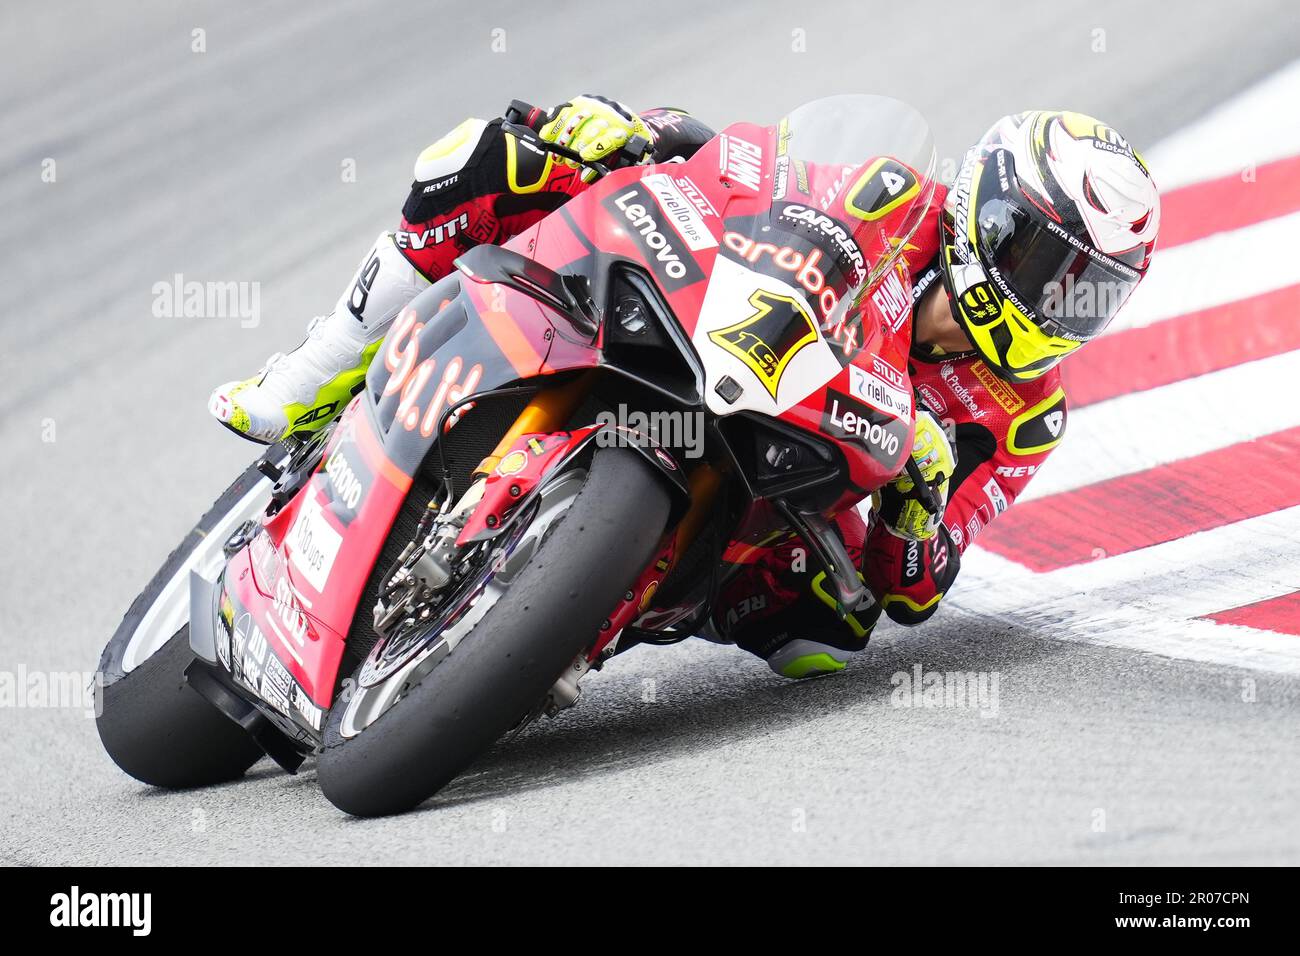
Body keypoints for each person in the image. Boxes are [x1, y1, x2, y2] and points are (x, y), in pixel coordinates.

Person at [207, 95, 1160, 678]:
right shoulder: (893, 193)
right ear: (987, 206)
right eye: (1043, 261)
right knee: (499, 158)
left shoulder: (1028, 417)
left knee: (827, 638)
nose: (1056, 300)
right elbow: (752, 170)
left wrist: (916, 515)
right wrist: (644, 131)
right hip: (735, 345)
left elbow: (917, 590)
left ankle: (563, 623)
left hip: (808, 493)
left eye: (1088, 292)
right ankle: (315, 373)